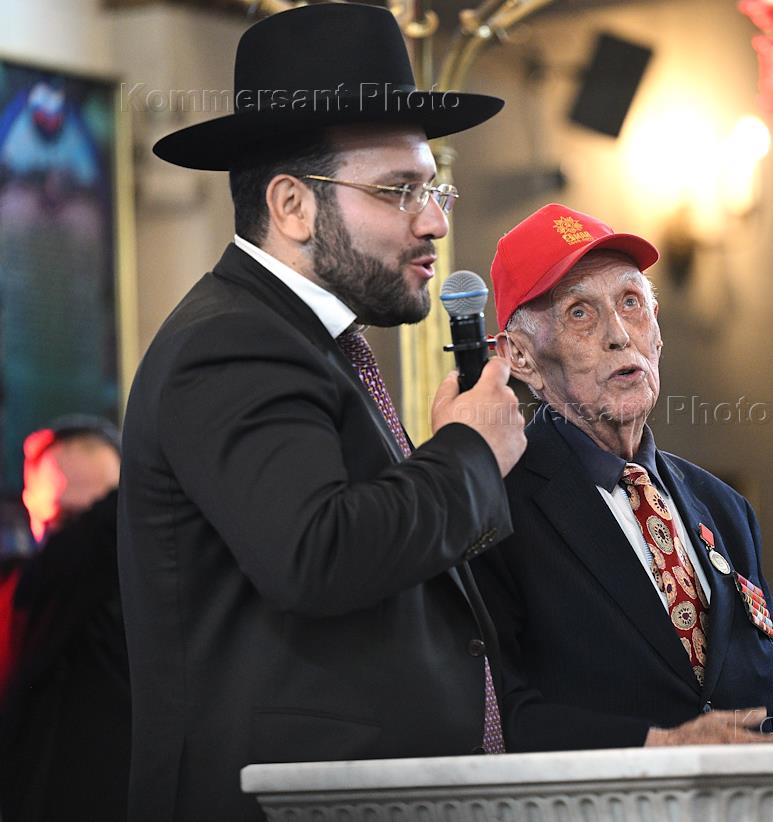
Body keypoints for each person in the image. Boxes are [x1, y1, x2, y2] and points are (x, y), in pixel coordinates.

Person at [118, 5, 525, 820]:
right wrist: (468, 452)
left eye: (434, 187)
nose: (435, 221)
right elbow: (317, 551)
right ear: (292, 206)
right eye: (399, 190)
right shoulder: (232, 342)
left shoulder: (308, 341)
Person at [472, 204, 773, 751]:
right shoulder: (493, 506)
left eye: (631, 303)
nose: (619, 335)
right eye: (579, 313)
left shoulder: (724, 508)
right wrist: (657, 746)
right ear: (519, 356)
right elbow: (498, 720)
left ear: (657, 331)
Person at [0, 416, 126, 822]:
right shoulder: (19, 597)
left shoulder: (157, 610)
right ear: (30, 503)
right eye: (67, 519)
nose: (82, 534)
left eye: (98, 511)